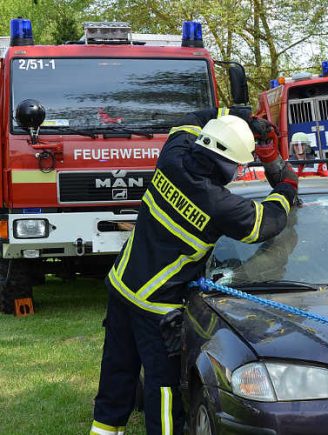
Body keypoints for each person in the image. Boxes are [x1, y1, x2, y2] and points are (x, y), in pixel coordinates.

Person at [90, 108, 299, 435]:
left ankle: (104, 429)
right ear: (226, 163)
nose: (238, 173)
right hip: (155, 306)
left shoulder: (173, 156)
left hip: (121, 285)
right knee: (162, 388)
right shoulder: (219, 204)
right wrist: (286, 186)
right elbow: (268, 222)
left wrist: (236, 115)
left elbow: (190, 120)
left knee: (117, 370)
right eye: (238, 166)